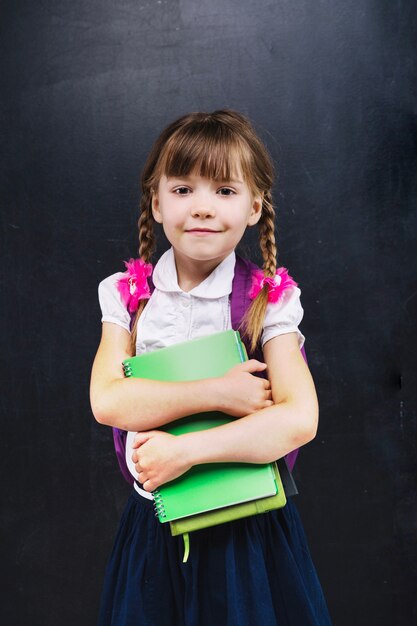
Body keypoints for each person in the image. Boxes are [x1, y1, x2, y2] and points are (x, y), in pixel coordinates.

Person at [90, 109, 333, 626]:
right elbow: (109, 401)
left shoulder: (269, 301)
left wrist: (186, 450)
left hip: (244, 535)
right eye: (182, 190)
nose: (202, 208)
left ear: (254, 207)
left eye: (224, 191)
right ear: (156, 203)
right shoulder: (128, 297)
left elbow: (298, 420)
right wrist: (218, 394)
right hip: (153, 528)